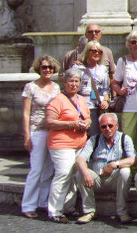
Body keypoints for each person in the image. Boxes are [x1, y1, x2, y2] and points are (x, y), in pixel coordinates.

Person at [45, 68, 91, 223]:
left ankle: (68, 207)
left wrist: (86, 123)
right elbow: (49, 122)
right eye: (70, 81)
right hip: (61, 143)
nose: (73, 84)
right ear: (64, 82)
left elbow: (88, 117)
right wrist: (71, 123)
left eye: (76, 81)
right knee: (63, 174)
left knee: (73, 176)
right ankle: (55, 211)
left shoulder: (81, 99)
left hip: (79, 143)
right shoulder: (58, 100)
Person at [74, 113, 136, 224]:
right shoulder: (94, 140)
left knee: (125, 171)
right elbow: (80, 159)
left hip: (114, 179)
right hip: (96, 179)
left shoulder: (125, 138)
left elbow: (133, 159)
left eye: (110, 125)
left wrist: (114, 165)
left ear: (117, 125)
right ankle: (89, 211)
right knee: (80, 173)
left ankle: (122, 212)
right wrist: (85, 173)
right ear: (100, 128)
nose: (107, 129)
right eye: (104, 126)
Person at [20, 55, 61, 219]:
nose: (47, 70)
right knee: (36, 169)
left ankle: (43, 202)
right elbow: (26, 113)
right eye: (44, 67)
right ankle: (28, 205)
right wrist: (26, 135)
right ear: (39, 68)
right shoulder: (30, 87)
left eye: (50, 67)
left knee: (49, 170)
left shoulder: (56, 87)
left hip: (53, 131)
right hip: (37, 130)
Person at [111, 30, 137, 154]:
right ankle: (129, 167)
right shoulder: (123, 61)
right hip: (129, 106)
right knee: (128, 139)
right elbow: (114, 83)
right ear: (129, 44)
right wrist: (120, 91)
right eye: (134, 42)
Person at [75, 40, 111, 136]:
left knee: (95, 135)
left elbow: (106, 89)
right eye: (93, 51)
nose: (96, 53)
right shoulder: (78, 68)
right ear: (87, 52)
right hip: (82, 106)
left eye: (99, 51)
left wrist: (106, 101)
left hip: (97, 107)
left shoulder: (102, 69)